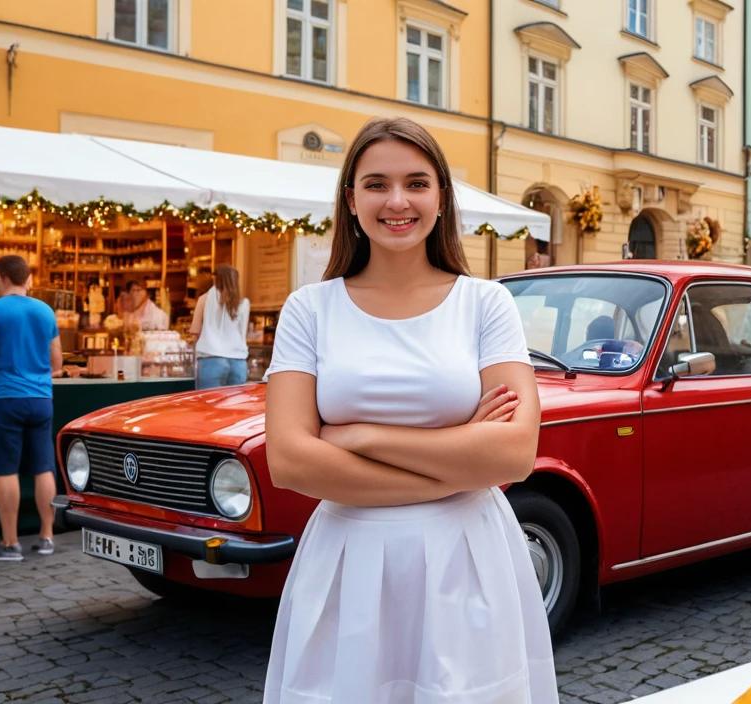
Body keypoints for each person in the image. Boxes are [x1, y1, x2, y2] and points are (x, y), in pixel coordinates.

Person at [261, 117, 555, 702]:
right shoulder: (310, 310)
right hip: (349, 560)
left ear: (441, 198)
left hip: (465, 560)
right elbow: (291, 462)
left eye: (417, 183)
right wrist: (457, 458)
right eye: (376, 184)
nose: (397, 201)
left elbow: (514, 453)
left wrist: (359, 435)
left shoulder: (485, 303)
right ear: (351, 200)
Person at [0, 255, 62, 561]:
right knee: (44, 467)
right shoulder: (45, 311)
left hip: (6, 397)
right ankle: (47, 537)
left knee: (6, 469)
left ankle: (10, 543)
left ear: (3, 277)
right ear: (26, 278)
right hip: (41, 398)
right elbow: (57, 363)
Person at [190, 265, 251, 389]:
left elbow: (195, 331)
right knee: (234, 407)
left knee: (209, 406)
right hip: (238, 362)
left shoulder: (204, 299)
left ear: (216, 279)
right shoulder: (244, 303)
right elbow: (243, 334)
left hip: (211, 359)